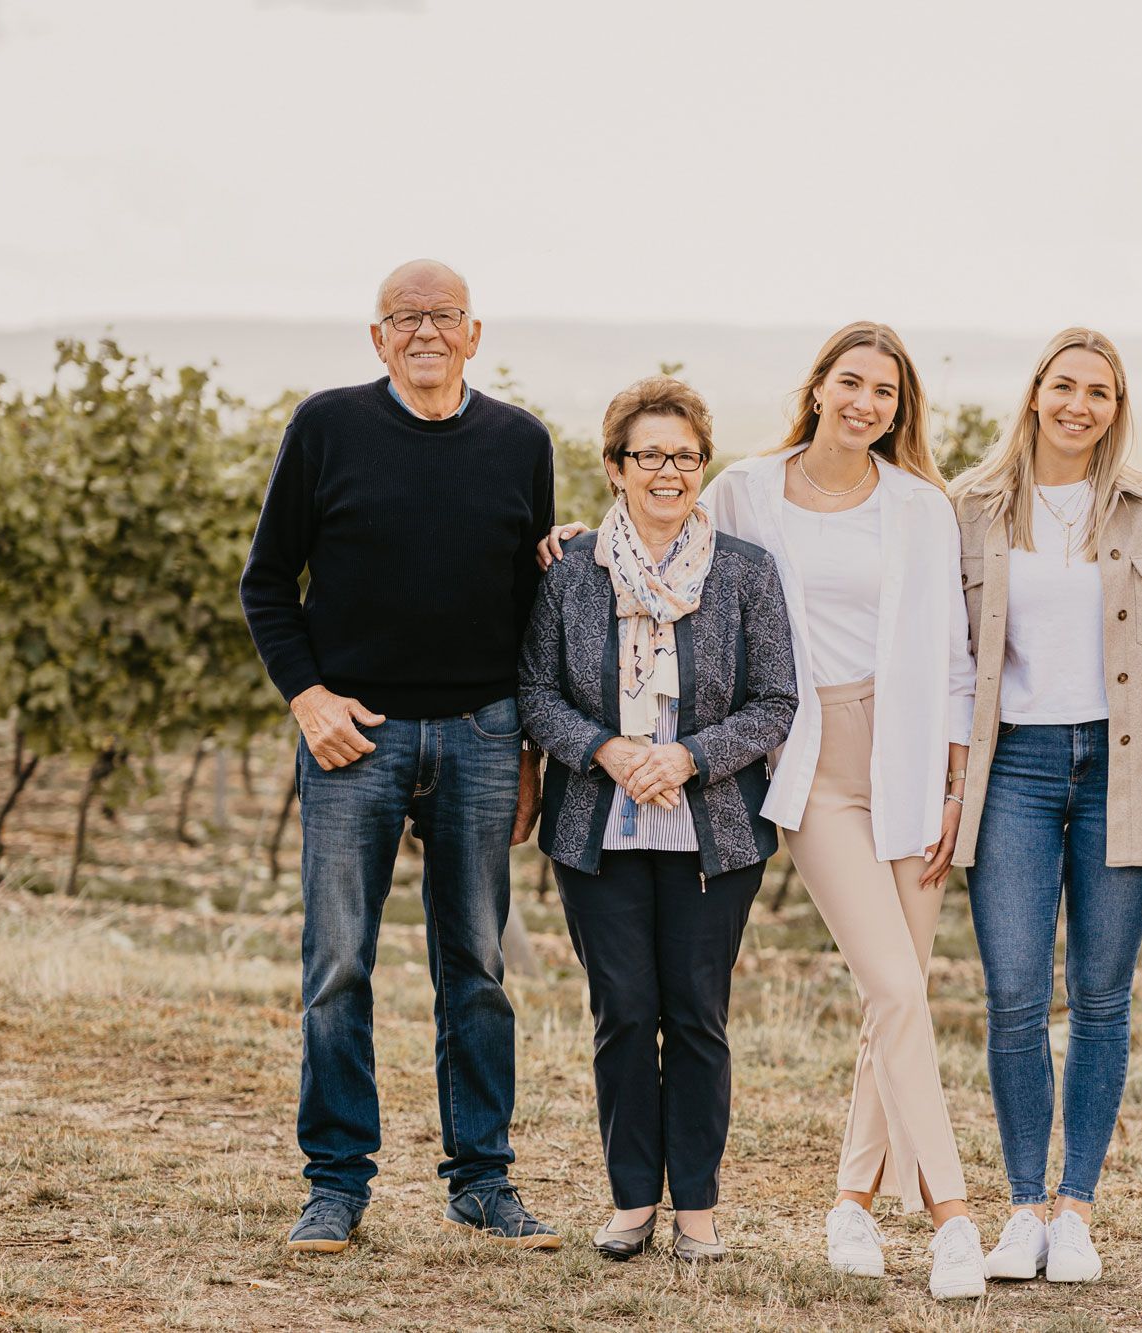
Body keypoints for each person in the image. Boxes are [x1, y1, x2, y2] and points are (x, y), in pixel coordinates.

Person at [239, 259, 559, 1255]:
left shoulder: (521, 442)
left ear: (474, 333)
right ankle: (335, 1185)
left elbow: (531, 606)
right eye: (403, 316)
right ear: (377, 337)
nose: (425, 330)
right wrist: (308, 698)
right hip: (355, 739)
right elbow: (265, 583)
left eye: (443, 315)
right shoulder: (325, 427)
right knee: (338, 963)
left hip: (481, 732)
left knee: (478, 967)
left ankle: (482, 1181)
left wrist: (527, 751)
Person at [707, 321, 984, 1299]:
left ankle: (852, 1205)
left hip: (908, 762)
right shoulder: (745, 488)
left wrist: (954, 787)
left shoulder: (919, 505)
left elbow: (952, 655)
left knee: (893, 994)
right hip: (813, 765)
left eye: (885, 392)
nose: (866, 403)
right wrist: (575, 541)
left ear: (899, 410)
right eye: (852, 382)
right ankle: (954, 1218)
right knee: (898, 987)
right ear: (818, 385)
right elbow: (672, 548)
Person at [518, 377, 796, 1264]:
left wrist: (687, 757)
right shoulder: (571, 572)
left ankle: (698, 1208)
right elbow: (536, 693)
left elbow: (775, 701)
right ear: (615, 467)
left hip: (713, 831)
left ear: (702, 465)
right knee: (626, 1015)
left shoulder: (745, 571)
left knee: (699, 1017)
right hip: (598, 830)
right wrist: (606, 749)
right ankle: (633, 1198)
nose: (668, 471)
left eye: (685, 455)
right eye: (649, 455)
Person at [946, 328, 1142, 1284]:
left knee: (1100, 996)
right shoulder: (971, 505)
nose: (1079, 405)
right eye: (1065, 386)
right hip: (1013, 767)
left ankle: (1077, 1208)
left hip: (1121, 766)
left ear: (1116, 406)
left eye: (1099, 391)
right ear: (1035, 393)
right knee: (1014, 993)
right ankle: (1022, 1208)